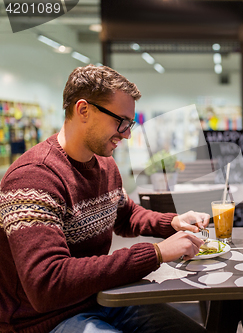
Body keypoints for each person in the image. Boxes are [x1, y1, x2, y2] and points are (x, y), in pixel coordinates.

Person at [0, 65, 209, 333]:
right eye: (120, 121)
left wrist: (174, 222)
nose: (126, 134)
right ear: (83, 110)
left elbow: (126, 215)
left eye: (129, 124)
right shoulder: (33, 178)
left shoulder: (104, 165)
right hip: (43, 321)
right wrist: (155, 253)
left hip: (100, 297)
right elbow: (47, 283)